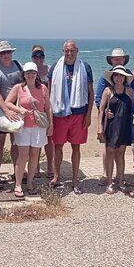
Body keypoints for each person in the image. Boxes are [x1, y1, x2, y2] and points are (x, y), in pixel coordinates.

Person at [49, 40, 94, 194]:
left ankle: (75, 178)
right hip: (60, 113)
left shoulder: (85, 67)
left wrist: (88, 115)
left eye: (72, 51)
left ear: (77, 51)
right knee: (58, 146)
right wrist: (49, 116)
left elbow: (90, 93)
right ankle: (56, 176)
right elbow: (49, 92)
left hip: (79, 113)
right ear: (63, 51)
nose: (69, 54)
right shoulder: (55, 67)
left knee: (76, 146)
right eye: (67, 51)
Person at [5, 62, 53, 197]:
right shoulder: (18, 88)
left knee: (34, 156)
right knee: (23, 156)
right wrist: (19, 109)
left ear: (37, 74)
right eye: (27, 73)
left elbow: (48, 107)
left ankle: (30, 183)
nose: (30, 75)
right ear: (24, 74)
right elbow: (7, 102)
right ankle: (18, 184)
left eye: (33, 72)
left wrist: (51, 125)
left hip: (39, 127)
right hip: (23, 127)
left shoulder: (43, 88)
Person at [0, 41, 23, 189]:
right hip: (1, 113)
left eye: (8, 52)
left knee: (16, 143)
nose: (6, 55)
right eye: (3, 53)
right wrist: (6, 111)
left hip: (16, 111)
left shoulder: (18, 65)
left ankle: (17, 172)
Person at [95, 48, 132, 186]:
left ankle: (120, 179)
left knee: (121, 153)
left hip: (124, 124)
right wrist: (104, 114)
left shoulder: (129, 87)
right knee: (109, 151)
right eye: (115, 58)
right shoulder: (106, 86)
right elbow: (99, 100)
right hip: (111, 123)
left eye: (120, 58)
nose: (119, 77)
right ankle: (107, 177)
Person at [31, 45, 54, 180]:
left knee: (49, 140)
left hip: (47, 109)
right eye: (35, 56)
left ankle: (50, 167)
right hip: (34, 110)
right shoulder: (28, 70)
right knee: (36, 139)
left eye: (41, 55)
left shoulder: (49, 69)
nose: (38, 58)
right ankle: (36, 167)